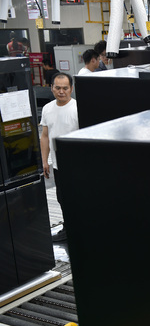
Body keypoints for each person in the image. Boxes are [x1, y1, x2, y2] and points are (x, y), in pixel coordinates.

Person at [40, 73, 79, 242]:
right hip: (57, 164)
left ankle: (81, 229)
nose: (61, 91)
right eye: (57, 88)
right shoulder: (47, 108)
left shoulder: (78, 108)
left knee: (78, 198)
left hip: (78, 165)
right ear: (51, 88)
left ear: (71, 88)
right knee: (62, 198)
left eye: (65, 88)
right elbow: (45, 136)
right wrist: (44, 160)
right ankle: (67, 229)